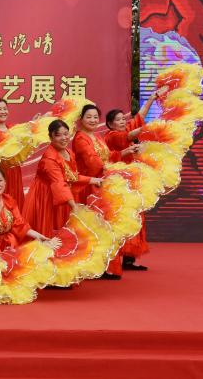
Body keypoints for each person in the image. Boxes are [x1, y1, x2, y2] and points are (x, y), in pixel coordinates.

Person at [73, 104, 141, 280]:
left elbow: (109, 155)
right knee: (93, 227)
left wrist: (125, 151)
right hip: (89, 187)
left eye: (95, 117)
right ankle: (93, 266)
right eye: (89, 117)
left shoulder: (96, 136)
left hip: (101, 184)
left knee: (104, 226)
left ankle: (102, 265)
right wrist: (118, 158)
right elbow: (93, 163)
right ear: (81, 119)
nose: (93, 120)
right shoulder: (80, 138)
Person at [104, 89, 165, 272]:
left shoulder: (125, 130)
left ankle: (130, 258)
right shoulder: (112, 136)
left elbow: (139, 117)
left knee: (136, 216)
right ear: (110, 124)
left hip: (132, 181)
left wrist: (152, 98)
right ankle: (116, 258)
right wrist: (157, 127)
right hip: (119, 183)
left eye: (123, 119)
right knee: (124, 218)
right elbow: (132, 134)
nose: (123, 121)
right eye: (118, 120)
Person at [21, 119, 102, 238]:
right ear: (51, 137)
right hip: (47, 196)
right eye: (58, 135)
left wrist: (93, 180)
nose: (64, 138)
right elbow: (58, 182)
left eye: (66, 134)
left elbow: (71, 176)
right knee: (51, 235)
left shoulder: (68, 152)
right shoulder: (49, 159)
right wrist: (73, 205)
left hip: (64, 195)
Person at [0, 167, 59, 259]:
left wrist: (38, 235)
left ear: (5, 182)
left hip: (10, 244)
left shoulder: (9, 201)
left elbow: (19, 224)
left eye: (0, 180)